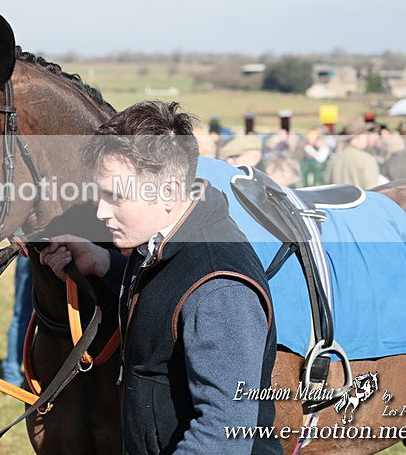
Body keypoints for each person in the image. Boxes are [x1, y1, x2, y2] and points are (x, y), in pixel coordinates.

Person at [40, 101, 281, 454]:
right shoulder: (166, 239)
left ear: (167, 192)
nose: (100, 212)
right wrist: (102, 262)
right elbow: (166, 294)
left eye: (115, 197)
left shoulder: (219, 290)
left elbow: (223, 434)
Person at [1, 255, 34, 386]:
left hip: (29, 249)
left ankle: (11, 376)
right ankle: (11, 376)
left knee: (21, 315)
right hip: (53, 249)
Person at [323, 117, 381, 189]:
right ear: (360, 136)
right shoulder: (367, 160)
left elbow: (326, 188)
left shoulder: (334, 160)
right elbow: (373, 192)